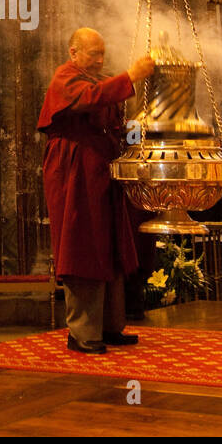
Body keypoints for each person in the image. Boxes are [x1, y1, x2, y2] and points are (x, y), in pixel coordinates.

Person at [38, 27, 154, 354]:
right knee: (83, 245)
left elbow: (112, 114)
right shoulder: (66, 76)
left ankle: (109, 326)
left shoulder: (97, 80)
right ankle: (82, 333)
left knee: (109, 244)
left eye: (102, 54)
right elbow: (90, 99)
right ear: (74, 53)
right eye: (93, 54)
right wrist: (129, 76)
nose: (100, 59)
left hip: (100, 170)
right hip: (74, 172)